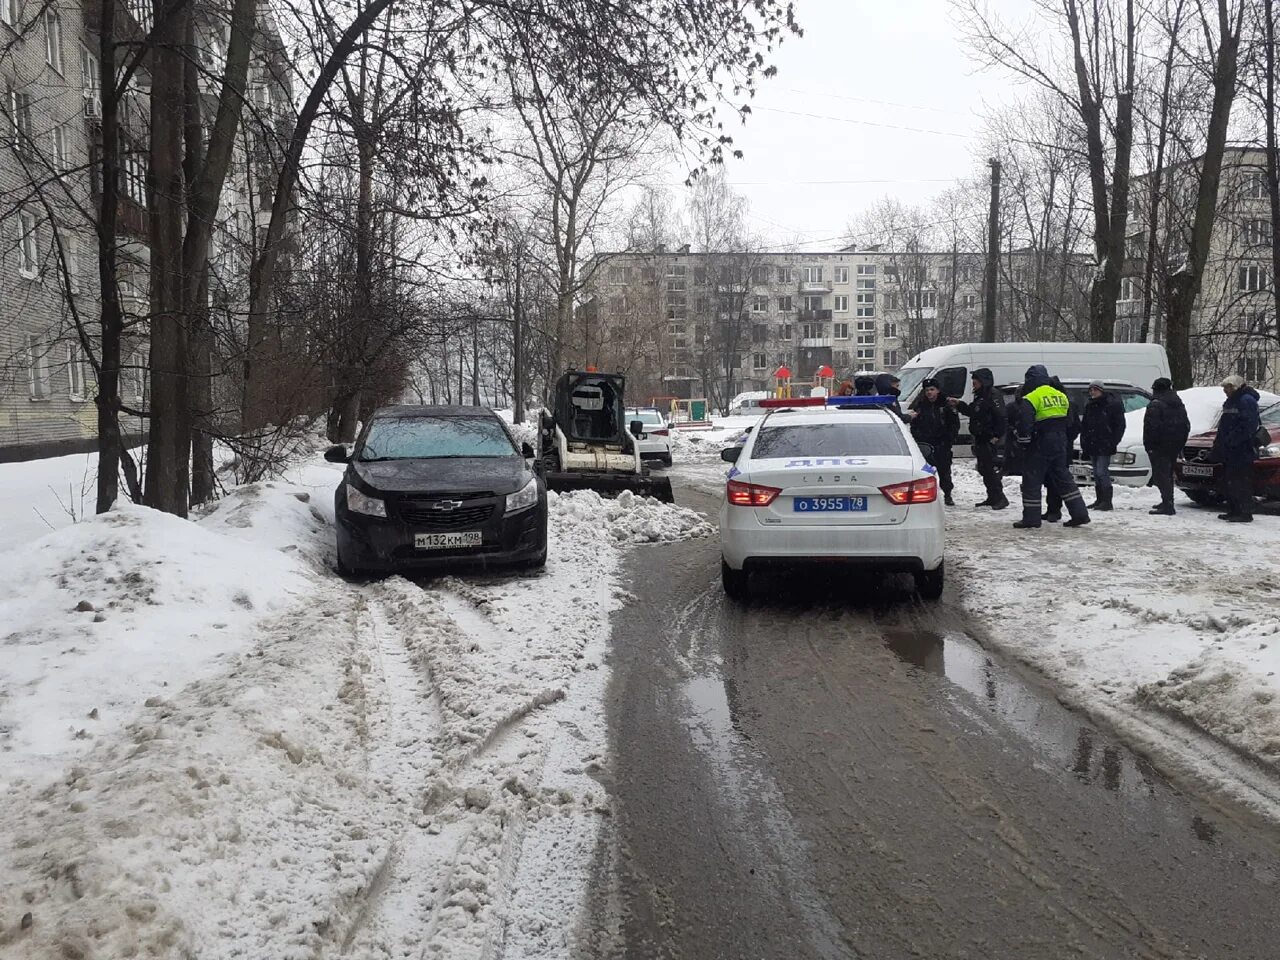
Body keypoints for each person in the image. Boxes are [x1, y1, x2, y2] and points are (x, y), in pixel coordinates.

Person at [1012, 365, 1090, 529]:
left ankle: (1031, 518)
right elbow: (1070, 421)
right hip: (1060, 443)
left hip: (1040, 443)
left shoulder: (1031, 398)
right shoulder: (1061, 396)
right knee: (1064, 479)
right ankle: (1080, 513)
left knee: (1032, 481)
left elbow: (1025, 424)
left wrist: (1023, 442)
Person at [951, 368, 1008, 509]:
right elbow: (973, 412)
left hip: (989, 439)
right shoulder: (980, 396)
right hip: (981, 438)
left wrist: (996, 436)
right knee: (984, 469)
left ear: (983, 382)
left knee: (990, 469)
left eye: (975, 382)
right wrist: (959, 404)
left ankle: (1000, 498)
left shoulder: (993, 395)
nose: (973, 385)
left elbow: (1001, 417)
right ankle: (992, 497)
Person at [1211, 374, 1262, 522]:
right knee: (1231, 481)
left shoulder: (1246, 401)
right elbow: (1224, 425)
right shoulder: (1232, 401)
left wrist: (1232, 440)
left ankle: (1244, 512)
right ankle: (1234, 510)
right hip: (1231, 449)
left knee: (1241, 482)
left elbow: (1248, 426)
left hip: (1241, 449)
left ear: (1235, 387)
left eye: (1227, 387)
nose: (1225, 391)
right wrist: (1220, 444)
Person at [908, 378, 960, 505]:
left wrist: (949, 439)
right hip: (925, 444)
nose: (929, 393)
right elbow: (914, 424)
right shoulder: (920, 405)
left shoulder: (946, 405)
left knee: (944, 471)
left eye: (932, 389)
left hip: (942, 443)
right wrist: (918, 438)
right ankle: (924, 494)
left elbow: (954, 424)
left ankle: (947, 494)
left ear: (938, 390)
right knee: (924, 472)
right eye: (927, 390)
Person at [1143, 377, 1190, 516]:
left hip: (1159, 446)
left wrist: (1150, 445)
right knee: (1167, 474)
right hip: (1173, 445)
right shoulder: (1177, 403)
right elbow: (1186, 425)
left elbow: (1151, 427)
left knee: (1161, 475)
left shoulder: (1156, 404)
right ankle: (1167, 501)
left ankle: (1167, 504)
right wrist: (1179, 443)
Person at [1079, 380, 1126, 511]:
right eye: (1090, 390)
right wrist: (1084, 441)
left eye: (1095, 390)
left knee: (1102, 471)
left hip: (1105, 444)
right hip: (1093, 444)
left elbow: (1119, 426)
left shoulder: (1111, 405)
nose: (1092, 392)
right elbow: (1085, 425)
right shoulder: (1090, 405)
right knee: (1096, 472)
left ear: (1101, 390)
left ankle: (1107, 501)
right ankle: (1100, 499)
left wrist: (1113, 441)